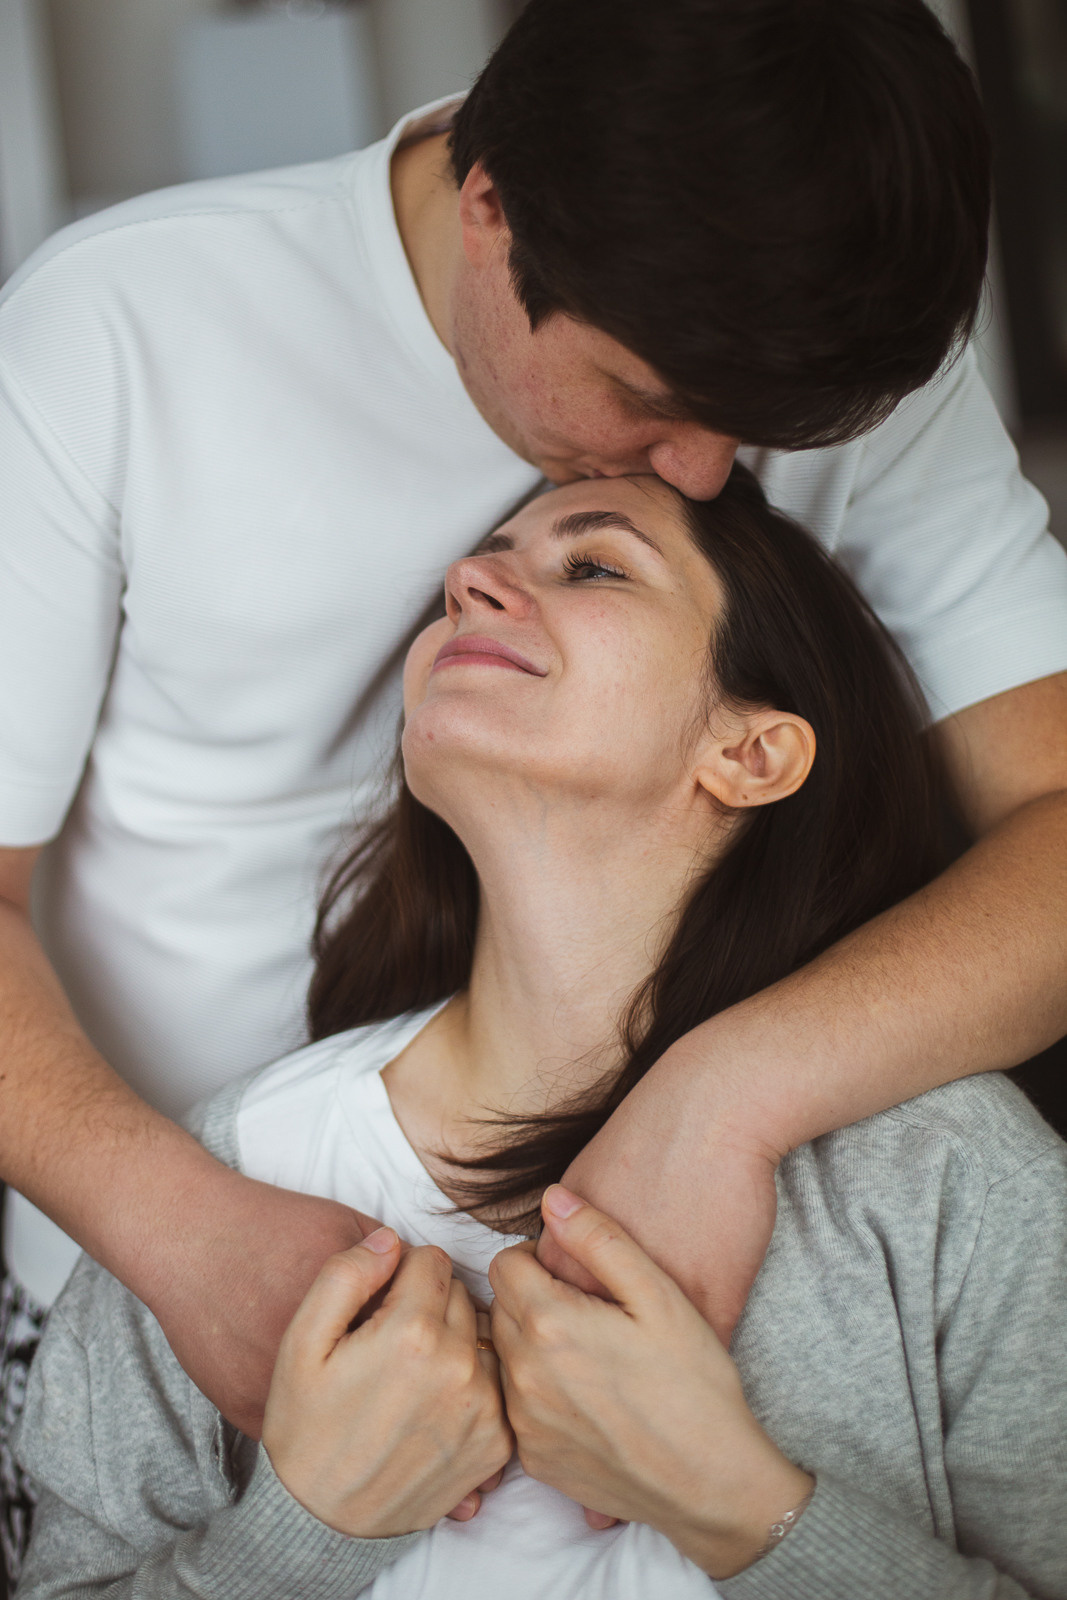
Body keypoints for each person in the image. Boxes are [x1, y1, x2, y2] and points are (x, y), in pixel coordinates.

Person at [2, 0, 1067, 1574]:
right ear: (487, 213)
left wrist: (723, 1100)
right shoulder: (119, 327)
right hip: (164, 1248)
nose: (707, 475)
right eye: (648, 399)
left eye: (760, 434)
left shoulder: (929, 1204)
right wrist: (178, 1230)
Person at [15, 468, 1067, 1599]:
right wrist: (300, 1532)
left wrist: (732, 1502)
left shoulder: (952, 1177)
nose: (469, 581)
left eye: (594, 565)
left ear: (750, 753)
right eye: (482, 562)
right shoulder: (232, 1176)